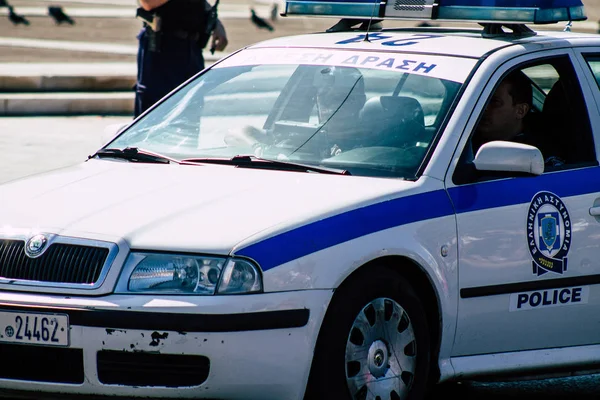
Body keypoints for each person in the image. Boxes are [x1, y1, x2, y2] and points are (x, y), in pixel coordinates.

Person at [134, 0, 228, 118]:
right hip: (162, 49)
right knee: (155, 117)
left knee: (190, 119)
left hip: (192, 48)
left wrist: (215, 23)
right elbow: (147, 2)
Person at [471, 69, 564, 168]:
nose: (483, 108)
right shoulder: (462, 138)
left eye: (495, 102)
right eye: (481, 100)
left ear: (520, 111)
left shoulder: (539, 154)